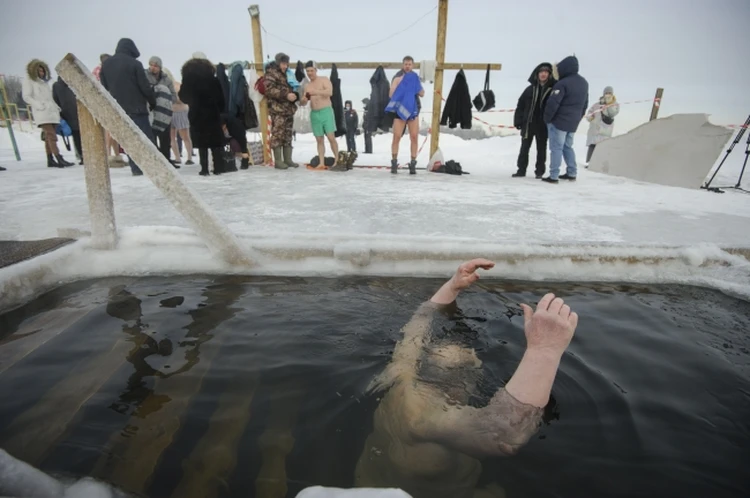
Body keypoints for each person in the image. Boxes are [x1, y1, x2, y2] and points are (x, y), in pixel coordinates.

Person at [355, 259, 578, 498]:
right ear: (460, 382)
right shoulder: (428, 418)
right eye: (473, 365)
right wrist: (544, 350)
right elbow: (505, 437)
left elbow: (416, 329)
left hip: (370, 482)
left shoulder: (403, 375)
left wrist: (452, 286)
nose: (478, 362)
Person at [100, 38, 156, 176]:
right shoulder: (135, 64)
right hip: (137, 108)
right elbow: (144, 87)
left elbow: (104, 87)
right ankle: (151, 167)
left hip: (118, 109)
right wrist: (152, 101)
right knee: (146, 140)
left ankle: (136, 168)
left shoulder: (106, 65)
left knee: (129, 140)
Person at [542, 55, 589, 183]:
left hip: (558, 122)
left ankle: (553, 176)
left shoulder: (562, 83)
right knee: (568, 147)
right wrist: (578, 119)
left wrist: (547, 119)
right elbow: (585, 104)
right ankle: (572, 172)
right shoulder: (584, 83)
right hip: (573, 123)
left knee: (556, 148)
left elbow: (553, 103)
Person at [179, 54, 227, 176]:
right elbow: (221, 98)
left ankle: (204, 168)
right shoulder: (213, 79)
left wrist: (192, 101)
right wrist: (220, 110)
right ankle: (218, 167)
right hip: (212, 111)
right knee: (215, 140)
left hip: (196, 112)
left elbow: (183, 96)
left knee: (202, 142)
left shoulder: (188, 78)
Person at [22, 60, 74, 168]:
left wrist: (56, 107)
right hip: (42, 112)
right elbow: (27, 96)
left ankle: (50, 159)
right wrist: (39, 105)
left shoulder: (45, 83)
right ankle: (58, 157)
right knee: (51, 135)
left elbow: (50, 98)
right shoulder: (29, 81)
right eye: (39, 70)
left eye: (42, 70)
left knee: (48, 136)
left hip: (51, 111)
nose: (41, 73)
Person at [513, 62, 557, 179]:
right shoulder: (529, 89)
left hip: (543, 124)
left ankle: (539, 172)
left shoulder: (552, 89)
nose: (543, 74)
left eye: (546, 72)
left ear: (549, 74)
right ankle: (521, 170)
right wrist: (518, 121)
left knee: (541, 149)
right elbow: (520, 105)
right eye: (541, 72)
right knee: (524, 148)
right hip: (529, 124)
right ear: (537, 74)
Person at [299, 61, 343, 171]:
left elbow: (330, 92)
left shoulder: (324, 79)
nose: (310, 73)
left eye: (311, 71)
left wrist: (316, 92)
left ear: (316, 70)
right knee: (319, 139)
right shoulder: (307, 86)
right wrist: (303, 100)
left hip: (326, 111)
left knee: (331, 137)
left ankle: (337, 160)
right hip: (314, 113)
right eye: (308, 71)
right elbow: (304, 102)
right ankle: (321, 162)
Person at [386, 56, 425, 175]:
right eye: (406, 64)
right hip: (399, 109)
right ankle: (394, 162)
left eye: (409, 64)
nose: (407, 66)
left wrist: (412, 87)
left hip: (413, 109)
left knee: (414, 136)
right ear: (403, 65)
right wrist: (400, 85)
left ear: (412, 65)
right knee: (396, 136)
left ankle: (413, 163)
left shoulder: (414, 77)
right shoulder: (398, 77)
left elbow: (422, 93)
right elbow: (391, 94)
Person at [264, 52, 299, 170]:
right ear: (278, 63)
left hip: (289, 109)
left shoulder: (288, 74)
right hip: (277, 109)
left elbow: (292, 88)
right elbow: (269, 90)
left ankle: (288, 159)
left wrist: (295, 95)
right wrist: (286, 95)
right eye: (283, 64)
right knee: (278, 133)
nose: (285, 66)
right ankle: (278, 161)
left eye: (287, 64)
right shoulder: (271, 73)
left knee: (287, 134)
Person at [145, 56, 178, 164]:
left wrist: (166, 101)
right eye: (151, 65)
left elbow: (173, 95)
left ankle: (167, 160)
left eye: (155, 66)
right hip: (151, 112)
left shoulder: (166, 79)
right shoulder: (144, 76)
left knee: (165, 139)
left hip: (164, 113)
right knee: (152, 137)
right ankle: (155, 161)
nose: (153, 68)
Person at [52, 76, 83, 165]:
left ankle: (82, 155)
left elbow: (55, 99)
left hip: (70, 113)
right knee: (78, 135)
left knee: (77, 135)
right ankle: (82, 155)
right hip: (72, 113)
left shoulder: (58, 85)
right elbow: (56, 100)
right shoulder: (61, 85)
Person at [585, 86, 620, 164]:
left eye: (609, 93)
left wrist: (608, 104)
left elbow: (612, 113)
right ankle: (588, 162)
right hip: (594, 129)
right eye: (606, 93)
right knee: (592, 145)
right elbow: (589, 113)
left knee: (603, 147)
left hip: (605, 130)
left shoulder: (615, 104)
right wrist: (590, 117)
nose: (608, 94)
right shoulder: (596, 104)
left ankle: (599, 164)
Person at [170, 81, 194, 166]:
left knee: (185, 136)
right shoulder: (174, 85)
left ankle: (188, 157)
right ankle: (179, 157)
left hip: (180, 111)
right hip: (171, 112)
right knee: (173, 137)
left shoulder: (176, 85)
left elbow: (182, 100)